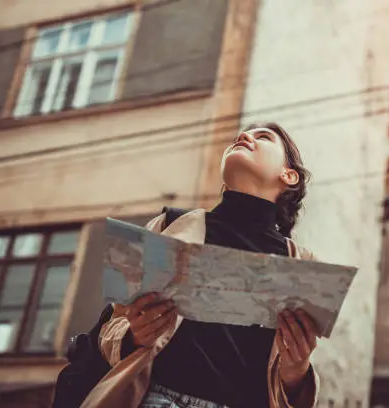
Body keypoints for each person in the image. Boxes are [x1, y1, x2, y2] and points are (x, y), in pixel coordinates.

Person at [82, 123, 320, 408]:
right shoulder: (168, 226)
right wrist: (133, 336)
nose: (243, 137)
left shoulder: (301, 264)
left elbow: (291, 391)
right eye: (241, 136)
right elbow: (109, 329)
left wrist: (297, 370)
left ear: (289, 175)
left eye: (263, 137)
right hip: (155, 399)